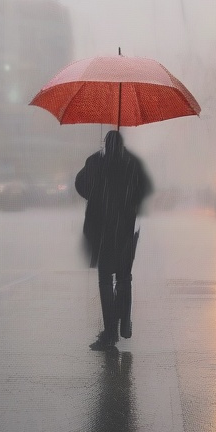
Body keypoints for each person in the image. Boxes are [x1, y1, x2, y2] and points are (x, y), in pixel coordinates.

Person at [75, 130, 153, 350]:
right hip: (125, 231)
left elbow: (81, 185)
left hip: (102, 232)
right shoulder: (132, 163)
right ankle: (124, 322)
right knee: (124, 278)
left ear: (105, 144)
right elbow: (145, 189)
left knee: (105, 280)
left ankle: (110, 332)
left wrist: (99, 193)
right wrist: (128, 202)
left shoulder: (95, 162)